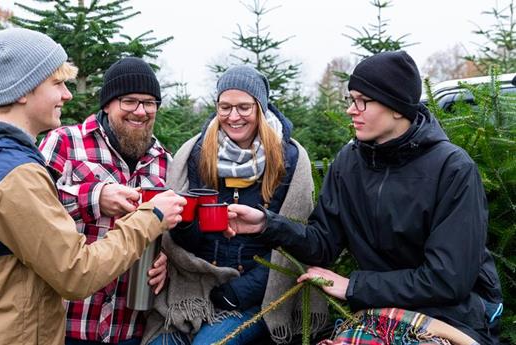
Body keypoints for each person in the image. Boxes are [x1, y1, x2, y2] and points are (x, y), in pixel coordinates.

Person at [0, 28, 186, 345]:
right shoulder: (14, 174)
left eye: (149, 103)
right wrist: (149, 216)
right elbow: (76, 273)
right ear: (24, 91)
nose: (68, 95)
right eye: (57, 83)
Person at [226, 51, 503, 344]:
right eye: (351, 99)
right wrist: (267, 225)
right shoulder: (349, 162)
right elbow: (323, 244)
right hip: (378, 314)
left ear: (396, 107)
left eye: (363, 101)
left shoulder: (453, 169)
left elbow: (448, 280)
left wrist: (352, 287)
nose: (351, 110)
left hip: (453, 318)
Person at [143, 65, 327, 345]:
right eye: (225, 107)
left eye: (244, 107)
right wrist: (186, 222)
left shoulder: (289, 159)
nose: (233, 116)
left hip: (255, 295)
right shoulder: (197, 154)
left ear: (260, 109)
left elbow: (296, 245)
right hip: (194, 286)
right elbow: (183, 243)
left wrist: (240, 292)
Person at [39, 57, 172, 345]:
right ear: (108, 103)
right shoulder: (64, 142)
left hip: (128, 331)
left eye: (150, 103)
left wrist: (167, 260)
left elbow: (171, 228)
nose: (141, 111)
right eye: (129, 101)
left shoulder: (165, 163)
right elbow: (33, 208)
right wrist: (95, 197)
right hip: (67, 324)